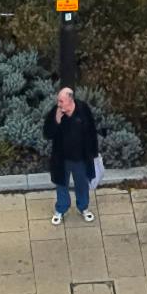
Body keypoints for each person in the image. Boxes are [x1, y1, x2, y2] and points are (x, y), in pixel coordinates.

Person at [41, 84, 104, 227]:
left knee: (81, 184)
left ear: (70, 100)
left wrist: (93, 154)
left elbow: (92, 132)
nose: (59, 104)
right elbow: (47, 133)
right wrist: (56, 121)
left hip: (81, 158)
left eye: (61, 101)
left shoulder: (83, 110)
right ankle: (61, 209)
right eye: (58, 101)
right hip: (61, 158)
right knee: (61, 184)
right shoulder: (56, 112)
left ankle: (83, 207)